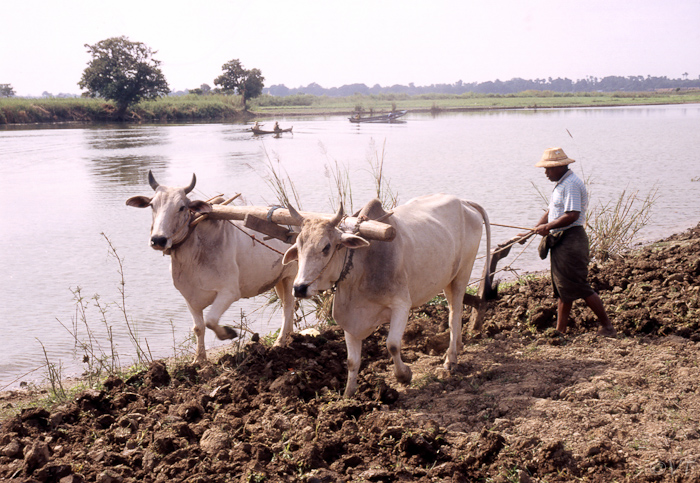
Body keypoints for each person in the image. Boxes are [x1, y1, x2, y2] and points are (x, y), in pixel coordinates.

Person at [531, 147, 616, 337]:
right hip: (563, 240)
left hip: (571, 240)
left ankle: (608, 327)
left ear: (561, 166)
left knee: (578, 286)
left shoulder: (570, 184)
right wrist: (537, 227)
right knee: (564, 288)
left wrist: (549, 226)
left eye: (549, 169)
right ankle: (560, 331)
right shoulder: (562, 184)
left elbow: (572, 215)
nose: (546, 173)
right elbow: (551, 211)